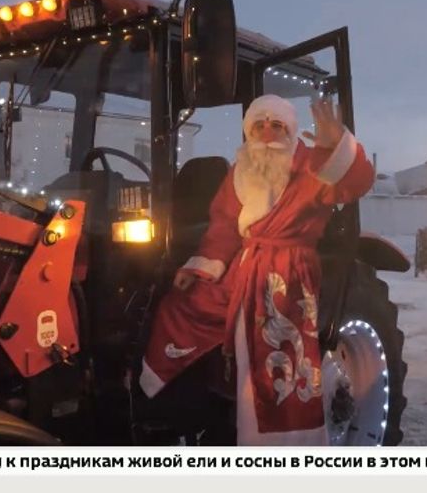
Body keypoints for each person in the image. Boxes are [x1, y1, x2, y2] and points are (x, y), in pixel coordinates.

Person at [140, 93, 375, 445]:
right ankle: (173, 398)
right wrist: (200, 269)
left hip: (288, 270)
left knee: (274, 344)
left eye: (277, 125)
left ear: (290, 131)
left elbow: (354, 184)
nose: (267, 132)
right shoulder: (241, 170)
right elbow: (223, 225)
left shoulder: (311, 165)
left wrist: (335, 147)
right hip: (245, 264)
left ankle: (281, 437)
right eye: (259, 125)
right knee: (181, 308)